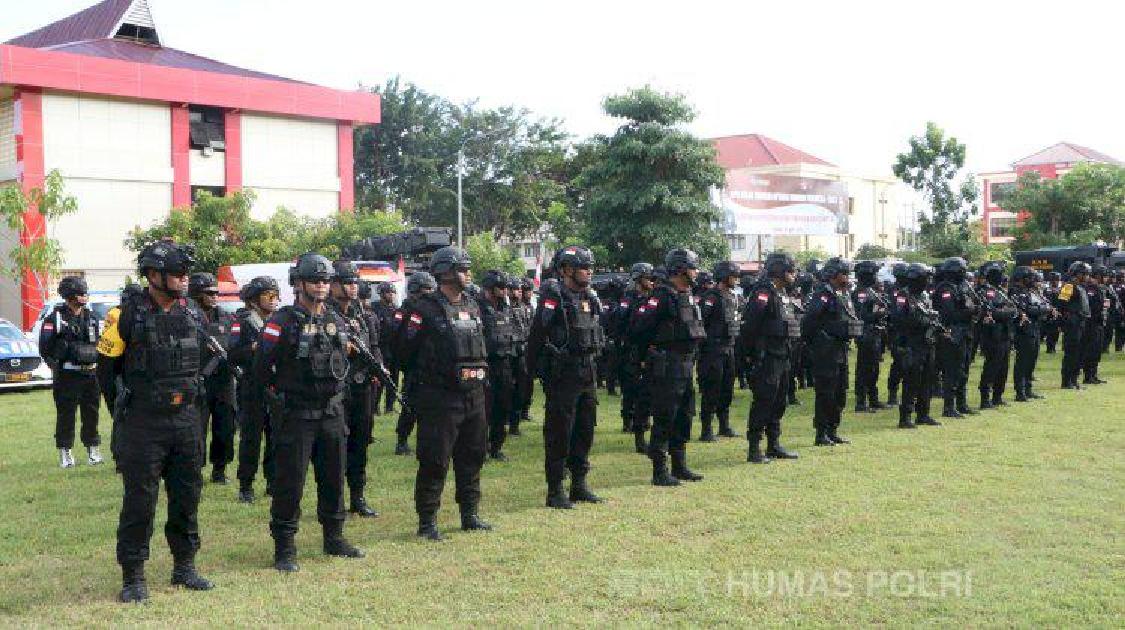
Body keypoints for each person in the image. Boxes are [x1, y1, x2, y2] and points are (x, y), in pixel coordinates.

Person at [97, 239, 213, 603]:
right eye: (177, 273)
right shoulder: (124, 316)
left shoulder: (193, 312)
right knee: (140, 500)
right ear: (153, 275)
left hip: (186, 421)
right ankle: (133, 575)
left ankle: (184, 566)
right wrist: (126, 413)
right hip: (143, 424)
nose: (184, 279)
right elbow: (106, 373)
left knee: (187, 495)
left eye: (185, 273)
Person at [255, 253, 364, 572]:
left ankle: (334, 537)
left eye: (325, 280)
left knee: (333, 478)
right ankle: (285, 547)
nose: (321, 286)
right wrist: (276, 399)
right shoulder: (282, 321)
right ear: (299, 284)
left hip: (331, 413)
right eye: (315, 280)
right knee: (290, 483)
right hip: (297, 414)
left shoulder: (335, 319)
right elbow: (261, 369)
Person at [398, 246, 492, 541]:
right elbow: (403, 352)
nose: (468, 274)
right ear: (446, 273)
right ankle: (427, 521)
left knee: (473, 455)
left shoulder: (474, 305)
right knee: (435, 459)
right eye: (463, 269)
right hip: (440, 398)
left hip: (474, 394)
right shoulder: (422, 309)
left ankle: (470, 514)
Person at [526, 246, 606, 507]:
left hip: (587, 371)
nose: (590, 272)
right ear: (567, 270)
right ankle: (555, 489)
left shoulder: (590, 296)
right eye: (585, 267)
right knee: (560, 431)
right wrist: (534, 370)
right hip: (563, 374)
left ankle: (579, 484)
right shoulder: (555, 296)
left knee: (585, 429)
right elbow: (538, 334)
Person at [630, 248, 706, 485]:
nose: (696, 272)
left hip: (685, 364)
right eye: (693, 267)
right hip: (667, 365)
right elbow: (640, 329)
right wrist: (647, 355)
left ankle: (679, 465)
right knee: (665, 416)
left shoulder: (687, 295)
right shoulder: (661, 296)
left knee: (684, 415)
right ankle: (659, 470)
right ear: (681, 269)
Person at [327, 260, 382, 518]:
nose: (351, 288)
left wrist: (380, 367)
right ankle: (333, 500)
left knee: (360, 442)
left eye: (353, 283)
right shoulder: (324, 313)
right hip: (336, 389)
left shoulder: (360, 313)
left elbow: (375, 345)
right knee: (336, 446)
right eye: (346, 283)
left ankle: (357, 496)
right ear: (333, 284)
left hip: (361, 387)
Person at [739, 252, 802, 463]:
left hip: (782, 354)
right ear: (779, 272)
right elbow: (750, 325)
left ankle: (773, 444)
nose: (794, 275)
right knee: (764, 401)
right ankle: (754, 448)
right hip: (766, 357)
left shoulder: (780, 293)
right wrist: (749, 356)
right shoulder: (763, 292)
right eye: (790, 271)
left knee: (779, 400)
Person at [40, 276, 103, 468]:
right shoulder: (56, 319)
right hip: (68, 375)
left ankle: (93, 450)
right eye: (80, 294)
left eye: (85, 293)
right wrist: (56, 367)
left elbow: (99, 343)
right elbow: (45, 347)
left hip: (91, 374)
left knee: (91, 413)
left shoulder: (91, 317)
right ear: (69, 296)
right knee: (66, 414)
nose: (84, 297)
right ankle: (65, 452)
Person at [229, 276, 280, 503]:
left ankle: (272, 481)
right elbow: (233, 354)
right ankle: (246, 485)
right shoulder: (243, 321)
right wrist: (254, 348)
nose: (273, 300)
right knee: (251, 438)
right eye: (268, 295)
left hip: (275, 385)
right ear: (254, 300)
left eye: (275, 295)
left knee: (276, 437)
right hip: (252, 387)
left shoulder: (279, 320)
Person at [803, 258, 863, 446]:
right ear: (833, 276)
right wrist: (823, 339)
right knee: (825, 393)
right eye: (843, 274)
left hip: (840, 350)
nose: (846, 277)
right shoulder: (823, 295)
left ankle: (833, 429)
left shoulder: (843, 295)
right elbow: (811, 322)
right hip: (826, 352)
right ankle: (821, 433)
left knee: (840, 393)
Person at [187, 273, 237, 484]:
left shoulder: (226, 316)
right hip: (198, 380)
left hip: (223, 381)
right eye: (209, 293)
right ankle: (194, 470)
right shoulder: (187, 317)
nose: (214, 296)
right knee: (196, 429)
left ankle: (220, 469)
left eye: (216, 292)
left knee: (225, 426)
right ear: (197, 294)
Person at [889, 263, 942, 429]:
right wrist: (924, 321)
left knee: (927, 379)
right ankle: (905, 417)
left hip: (927, 342)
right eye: (925, 278)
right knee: (912, 381)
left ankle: (923, 414)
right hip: (911, 343)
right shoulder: (903, 296)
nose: (928, 281)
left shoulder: (924, 296)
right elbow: (900, 320)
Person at [696, 261, 742, 441]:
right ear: (724, 276)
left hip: (729, 348)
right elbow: (702, 323)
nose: (736, 279)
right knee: (711, 390)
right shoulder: (711, 297)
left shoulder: (731, 296)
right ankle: (706, 429)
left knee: (727, 388)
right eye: (733, 276)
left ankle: (724, 425)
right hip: (713, 350)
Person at [393, 272, 437, 455]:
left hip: (431, 367)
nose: (429, 294)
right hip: (415, 368)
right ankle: (402, 441)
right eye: (425, 290)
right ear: (414, 291)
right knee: (410, 406)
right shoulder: (409, 311)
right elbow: (406, 342)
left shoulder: (429, 310)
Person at [477, 270, 518, 462]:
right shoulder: (477, 308)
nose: (505, 291)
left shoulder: (506, 309)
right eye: (501, 288)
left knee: (503, 406)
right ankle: (480, 447)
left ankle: (496, 446)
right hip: (485, 365)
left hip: (505, 364)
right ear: (490, 288)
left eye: (506, 288)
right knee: (483, 409)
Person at [615, 263, 655, 453]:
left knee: (646, 392)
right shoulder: (628, 298)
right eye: (648, 277)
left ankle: (642, 423)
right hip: (631, 350)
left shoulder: (651, 298)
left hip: (647, 350)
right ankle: (628, 421)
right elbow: (622, 323)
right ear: (639, 278)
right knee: (632, 389)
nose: (651, 281)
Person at [932, 258, 979, 418]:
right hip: (952, 333)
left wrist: (973, 309)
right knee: (952, 371)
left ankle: (961, 403)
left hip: (965, 332)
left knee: (963, 369)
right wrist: (970, 311)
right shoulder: (946, 288)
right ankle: (949, 406)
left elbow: (974, 304)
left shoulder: (963, 286)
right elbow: (949, 313)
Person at [975, 262, 1019, 409]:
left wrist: (1006, 311)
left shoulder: (1000, 291)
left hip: (1005, 333)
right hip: (993, 335)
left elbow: (1013, 309)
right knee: (992, 366)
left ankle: (997, 396)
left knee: (1003, 367)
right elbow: (992, 311)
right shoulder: (987, 292)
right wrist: (1006, 311)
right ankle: (985, 398)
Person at [1009, 266, 1052, 401]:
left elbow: (1043, 305)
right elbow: (1028, 309)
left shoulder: (1030, 292)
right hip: (1023, 330)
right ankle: (1020, 391)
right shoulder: (1015, 292)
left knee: (1031, 360)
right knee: (1023, 361)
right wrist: (1041, 309)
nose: (1032, 281)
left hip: (1034, 328)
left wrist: (1040, 309)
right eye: (1029, 278)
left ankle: (1028, 388)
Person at [852, 261, 889, 413]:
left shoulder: (870, 290)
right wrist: (878, 314)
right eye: (873, 274)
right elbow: (861, 315)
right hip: (865, 334)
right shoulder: (861, 292)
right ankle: (861, 402)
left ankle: (873, 399)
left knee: (874, 369)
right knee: (864, 368)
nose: (876, 276)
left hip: (874, 333)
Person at [1058, 262, 1091, 389]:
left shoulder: (1081, 286)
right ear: (1078, 274)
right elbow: (1061, 303)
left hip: (1081, 322)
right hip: (1072, 324)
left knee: (1079, 352)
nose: (1087, 277)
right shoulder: (1068, 286)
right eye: (1085, 274)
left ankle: (1074, 379)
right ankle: (1066, 381)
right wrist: (1067, 319)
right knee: (1071, 352)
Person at [371, 282, 400, 415]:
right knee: (380, 379)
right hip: (381, 348)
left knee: (393, 379)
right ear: (382, 294)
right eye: (389, 292)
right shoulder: (375, 308)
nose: (392, 295)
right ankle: (375, 406)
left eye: (393, 292)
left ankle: (390, 406)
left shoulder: (396, 309)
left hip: (394, 348)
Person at [508, 274, 532, 436]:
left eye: (518, 289)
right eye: (512, 289)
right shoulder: (501, 309)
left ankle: (515, 424)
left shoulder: (525, 308)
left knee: (521, 389)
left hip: (522, 353)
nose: (516, 292)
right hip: (507, 354)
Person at [1082, 266, 1110, 384]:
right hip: (1091, 324)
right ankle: (1088, 376)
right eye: (1104, 276)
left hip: (1099, 323)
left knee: (1097, 350)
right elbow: (1091, 307)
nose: (1106, 278)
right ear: (1098, 275)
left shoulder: (1100, 288)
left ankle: (1094, 374)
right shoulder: (1090, 288)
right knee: (1091, 350)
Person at [1042, 271, 1063, 353]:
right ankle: (1049, 348)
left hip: (1059, 312)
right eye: (1055, 280)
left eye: (1058, 280)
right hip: (1049, 312)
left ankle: (1053, 346)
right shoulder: (1047, 289)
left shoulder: (1061, 289)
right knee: (1050, 330)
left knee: (1056, 331)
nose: (1056, 282)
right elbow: (1046, 300)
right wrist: (1052, 309)